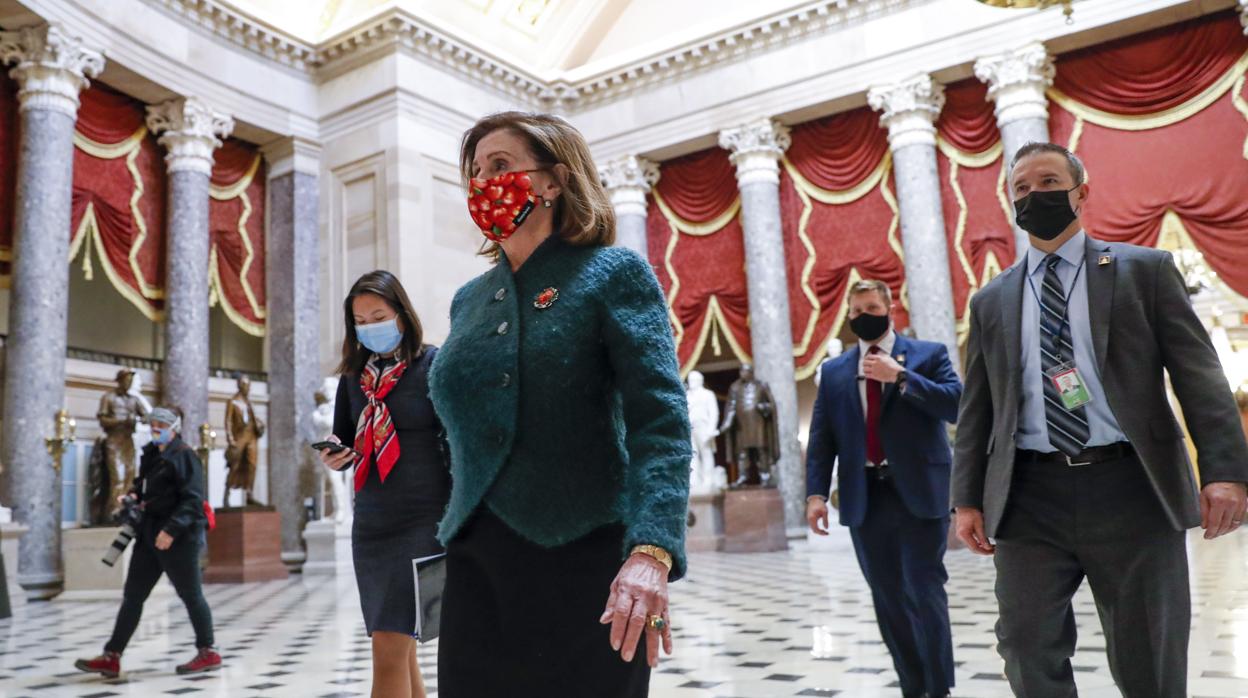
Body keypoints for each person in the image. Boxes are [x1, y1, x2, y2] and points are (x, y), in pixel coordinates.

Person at [952, 142, 1248, 697]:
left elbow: (1200, 377)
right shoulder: (992, 300)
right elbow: (978, 408)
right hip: (1029, 493)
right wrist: (966, 497)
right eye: (1021, 188)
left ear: (1080, 192)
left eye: (1047, 182)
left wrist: (1225, 471)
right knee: (1025, 646)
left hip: (1131, 487)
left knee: (1148, 653)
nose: (1033, 195)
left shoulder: (1145, 271)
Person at [429, 111, 691, 698]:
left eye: (499, 165)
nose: (482, 184)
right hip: (478, 568)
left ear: (553, 180)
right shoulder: (468, 301)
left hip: (588, 561)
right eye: (474, 172)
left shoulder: (610, 273)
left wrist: (653, 551)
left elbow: (661, 422)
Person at [805, 279, 962, 698]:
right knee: (888, 597)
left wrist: (903, 378)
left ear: (891, 308)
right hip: (865, 498)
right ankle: (913, 685)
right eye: (855, 311)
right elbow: (823, 438)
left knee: (924, 589)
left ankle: (938, 686)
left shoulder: (928, 355)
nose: (862, 316)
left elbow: (955, 404)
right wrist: (815, 494)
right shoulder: (835, 372)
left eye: (870, 307)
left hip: (917, 492)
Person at [318, 270, 449, 698]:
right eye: (360, 320)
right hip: (371, 523)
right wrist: (335, 453)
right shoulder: (352, 379)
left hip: (422, 520)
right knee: (396, 639)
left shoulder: (433, 366)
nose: (369, 326)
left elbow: (456, 440)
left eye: (378, 315)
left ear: (401, 315)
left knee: (389, 645)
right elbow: (342, 436)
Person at [74, 406, 219, 678]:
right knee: (133, 596)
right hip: (149, 532)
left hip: (178, 537)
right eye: (152, 424)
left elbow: (192, 501)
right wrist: (131, 495)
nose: (155, 429)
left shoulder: (185, 456)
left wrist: (171, 531)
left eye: (160, 425)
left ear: (173, 428)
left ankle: (208, 651)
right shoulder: (151, 455)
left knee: (191, 594)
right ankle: (112, 656)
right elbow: (142, 485)